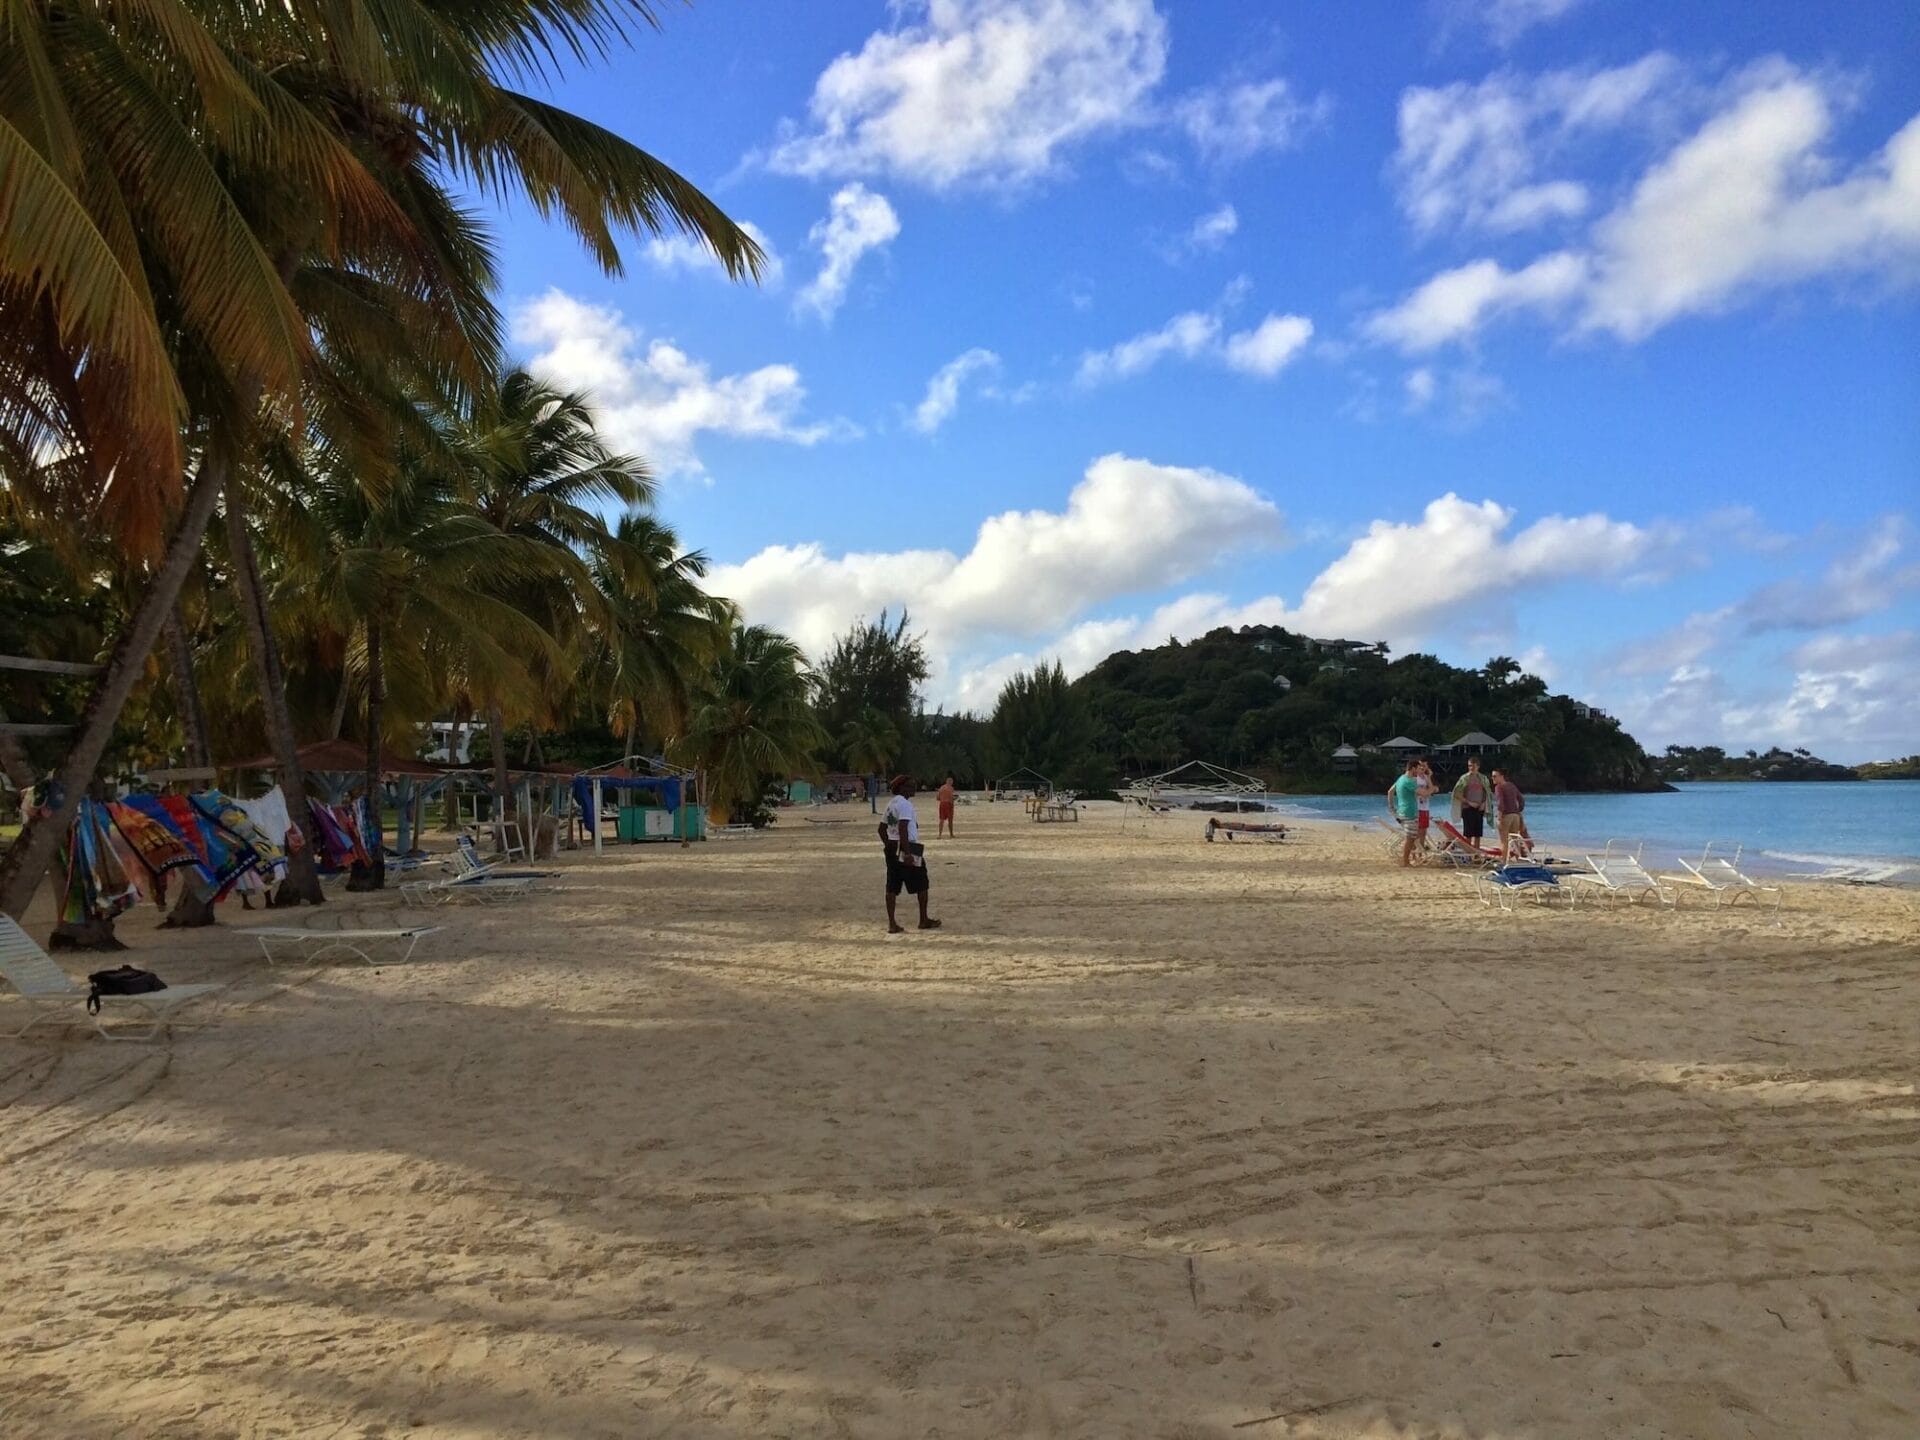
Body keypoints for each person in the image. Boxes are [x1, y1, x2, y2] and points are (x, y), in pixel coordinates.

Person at [881, 775, 940, 933]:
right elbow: (903, 828)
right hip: (908, 847)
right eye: (910, 785)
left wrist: (889, 844)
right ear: (902, 788)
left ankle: (892, 924)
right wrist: (906, 852)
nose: (914, 788)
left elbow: (881, 829)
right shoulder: (905, 804)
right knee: (922, 883)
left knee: (892, 886)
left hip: (893, 847)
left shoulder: (891, 804)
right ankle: (923, 919)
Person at [1387, 759, 1422, 867]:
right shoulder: (1408, 781)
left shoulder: (1401, 778)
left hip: (1402, 811)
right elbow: (1423, 793)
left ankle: (1409, 859)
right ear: (1413, 769)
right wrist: (1433, 789)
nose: (1419, 771)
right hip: (1409, 812)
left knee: (1412, 837)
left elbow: (1390, 792)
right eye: (1418, 768)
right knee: (1410, 838)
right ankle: (1405, 861)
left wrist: (1392, 808)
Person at [1452, 757, 1493, 844]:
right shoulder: (1464, 778)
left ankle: (1476, 855)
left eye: (1473, 766)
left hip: (1479, 808)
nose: (1471, 768)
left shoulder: (1483, 778)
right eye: (1469, 766)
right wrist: (1469, 802)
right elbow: (1456, 794)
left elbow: (1488, 793)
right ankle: (1468, 855)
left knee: (1478, 835)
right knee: (1468, 835)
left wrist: (1484, 804)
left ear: (1478, 766)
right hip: (1467, 808)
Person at [1491, 768, 1530, 854]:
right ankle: (1518, 860)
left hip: (1506, 816)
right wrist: (1518, 810)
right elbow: (1521, 800)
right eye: (1492, 776)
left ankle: (1504, 863)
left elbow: (1500, 803)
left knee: (1504, 841)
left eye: (1494, 776)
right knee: (1514, 840)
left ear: (1501, 776)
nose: (1492, 778)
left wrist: (1499, 818)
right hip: (1515, 816)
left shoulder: (1498, 787)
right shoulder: (1511, 785)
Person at [1415, 760, 1438, 838]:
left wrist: (1429, 777)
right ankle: (1416, 848)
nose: (1422, 767)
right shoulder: (1415, 777)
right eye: (1420, 765)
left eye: (1424, 766)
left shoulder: (1426, 777)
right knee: (1418, 829)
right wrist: (1429, 791)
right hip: (1416, 806)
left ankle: (1421, 848)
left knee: (1424, 830)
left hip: (1425, 806)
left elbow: (1433, 789)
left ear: (1427, 767)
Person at [936, 774, 957, 838]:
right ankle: (951, 834)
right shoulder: (951, 788)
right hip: (948, 804)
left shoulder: (941, 788)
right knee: (950, 820)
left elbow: (937, 798)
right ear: (950, 782)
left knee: (941, 819)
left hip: (942, 804)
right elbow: (951, 797)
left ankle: (939, 834)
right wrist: (955, 798)